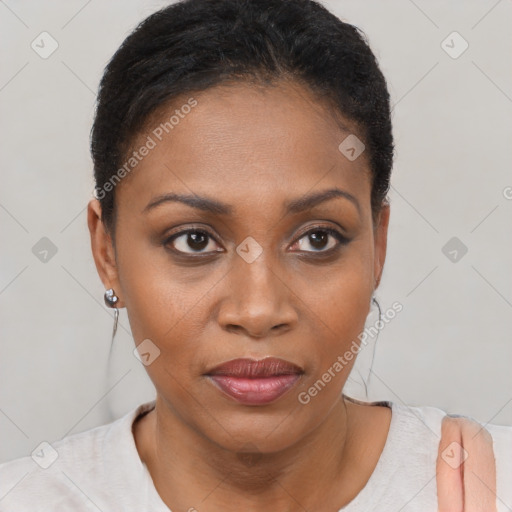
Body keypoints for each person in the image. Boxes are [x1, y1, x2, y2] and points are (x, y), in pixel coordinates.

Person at [0, 0, 510, 510]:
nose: (259, 310)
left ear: (378, 244)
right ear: (106, 251)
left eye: (317, 239)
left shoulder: (488, 486)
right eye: (193, 240)